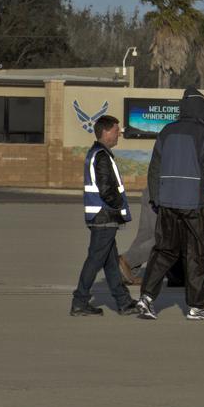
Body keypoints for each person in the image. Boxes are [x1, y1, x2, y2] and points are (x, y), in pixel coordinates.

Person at [134, 88, 204, 321]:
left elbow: (154, 167)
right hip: (193, 204)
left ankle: (146, 298)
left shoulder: (166, 132)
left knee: (164, 250)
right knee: (195, 254)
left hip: (167, 203)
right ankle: (196, 306)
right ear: (202, 109)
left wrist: (155, 197)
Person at [71, 115, 140, 316]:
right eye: (117, 130)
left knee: (110, 263)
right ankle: (79, 301)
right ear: (107, 131)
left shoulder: (99, 153)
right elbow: (106, 189)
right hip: (104, 217)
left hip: (103, 217)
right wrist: (118, 205)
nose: (119, 134)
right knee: (95, 260)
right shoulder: (101, 156)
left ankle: (123, 301)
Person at [119, 186, 156, 285]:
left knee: (145, 235)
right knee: (162, 238)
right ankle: (128, 261)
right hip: (163, 193)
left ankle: (129, 271)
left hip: (152, 190)